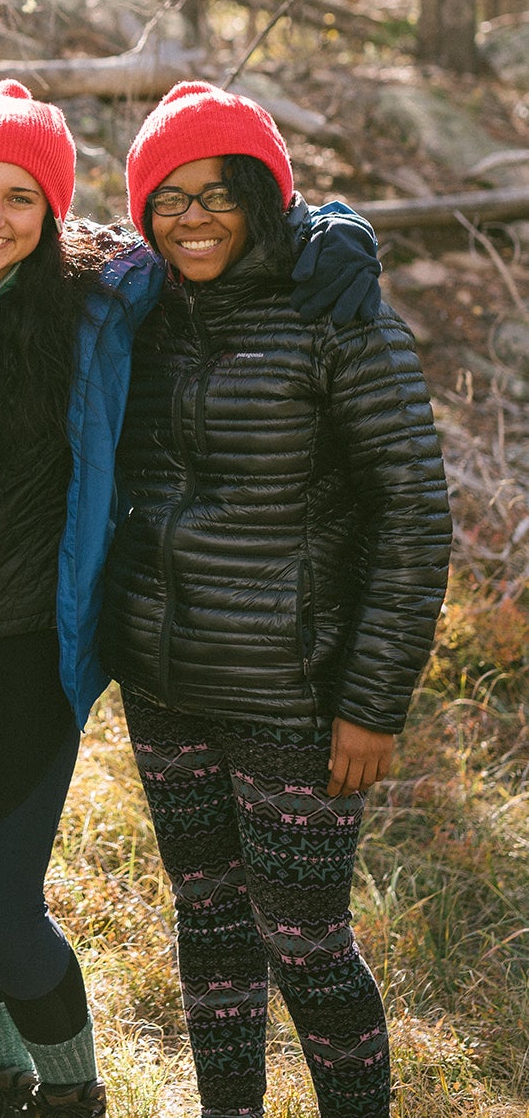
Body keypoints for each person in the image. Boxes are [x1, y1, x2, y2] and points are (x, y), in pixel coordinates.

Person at [0, 80, 391, 1118]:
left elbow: (408, 515)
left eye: (23, 197)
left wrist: (338, 234)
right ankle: (13, 1080)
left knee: (295, 940)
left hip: (163, 669)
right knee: (177, 923)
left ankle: (73, 1091)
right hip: (16, 659)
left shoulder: (130, 300)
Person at [101, 81, 450, 1118]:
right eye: (169, 196)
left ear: (265, 197)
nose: (194, 216)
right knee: (209, 922)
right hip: (167, 682)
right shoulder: (140, 309)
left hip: (297, 697)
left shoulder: (338, 313)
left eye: (220, 192)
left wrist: (373, 704)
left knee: (304, 940)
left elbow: (414, 520)